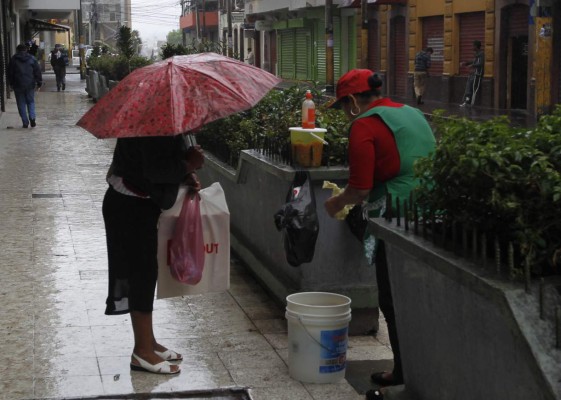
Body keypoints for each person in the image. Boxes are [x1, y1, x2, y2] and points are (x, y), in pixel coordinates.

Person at [324, 69, 435, 397]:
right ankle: (418, 367)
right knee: (422, 295)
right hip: (432, 210)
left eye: (345, 106)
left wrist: (336, 204)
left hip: (395, 215)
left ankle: (403, 371)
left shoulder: (364, 125)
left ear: (354, 101)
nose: (346, 113)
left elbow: (360, 189)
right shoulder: (412, 112)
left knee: (393, 296)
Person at [103, 134, 204, 374]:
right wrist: (188, 164)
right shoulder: (150, 127)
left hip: (140, 205)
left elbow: (159, 163)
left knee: (147, 273)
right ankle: (142, 352)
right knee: (142, 274)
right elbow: (154, 170)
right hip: (128, 207)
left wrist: (186, 174)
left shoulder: (161, 124)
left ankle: (149, 341)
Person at [7, 43, 43, 128]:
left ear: (17, 50)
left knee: (21, 104)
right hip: (30, 84)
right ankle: (32, 118)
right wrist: (39, 82)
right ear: (26, 50)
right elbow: (37, 71)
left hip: (17, 84)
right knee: (30, 102)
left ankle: (25, 122)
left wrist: (11, 83)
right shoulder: (32, 58)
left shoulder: (13, 59)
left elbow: (10, 73)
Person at [460, 40, 484, 107]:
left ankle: (472, 105)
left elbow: (481, 63)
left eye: (473, 45)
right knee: (468, 90)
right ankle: (467, 102)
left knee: (474, 91)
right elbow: (474, 61)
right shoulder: (477, 54)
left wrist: (472, 65)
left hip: (477, 75)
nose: (472, 47)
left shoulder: (481, 54)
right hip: (473, 74)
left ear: (476, 46)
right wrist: (466, 63)